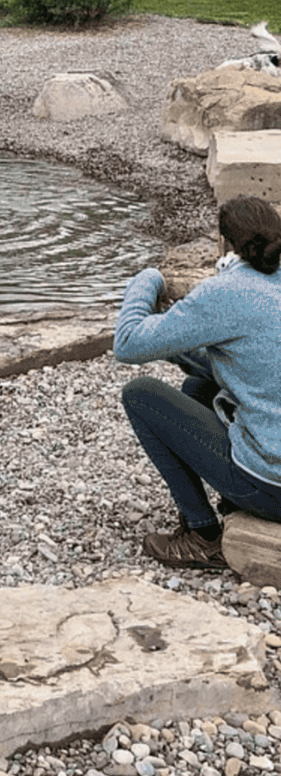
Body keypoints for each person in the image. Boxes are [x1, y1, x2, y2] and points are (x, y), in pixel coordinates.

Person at [114, 195, 281, 568]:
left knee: (141, 394)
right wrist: (177, 339)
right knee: (198, 390)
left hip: (274, 488)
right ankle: (229, 506)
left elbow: (127, 342)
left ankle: (202, 535)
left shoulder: (226, 291)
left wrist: (147, 279)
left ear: (225, 244)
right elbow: (244, 364)